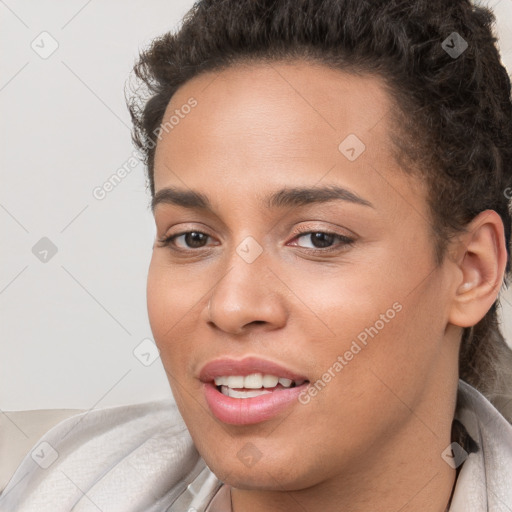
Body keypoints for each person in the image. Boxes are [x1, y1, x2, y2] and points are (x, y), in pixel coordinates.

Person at [2, 0, 512, 510]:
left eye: (318, 238)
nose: (232, 305)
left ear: (472, 271)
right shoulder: (42, 482)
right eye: (192, 238)